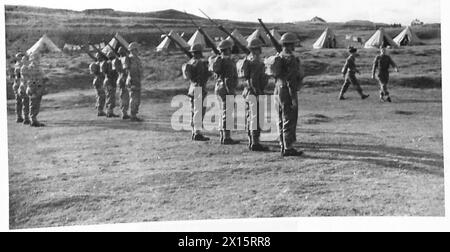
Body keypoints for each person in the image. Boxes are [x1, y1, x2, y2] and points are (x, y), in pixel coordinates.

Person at [271, 33, 304, 157]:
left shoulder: (279, 56)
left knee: (281, 118)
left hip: (278, 89)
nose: (295, 45)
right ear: (289, 44)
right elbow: (291, 80)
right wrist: (293, 98)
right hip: (287, 91)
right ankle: (288, 147)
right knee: (289, 118)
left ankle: (283, 144)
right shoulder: (291, 59)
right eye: (293, 43)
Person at [241, 39, 269, 151]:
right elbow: (254, 79)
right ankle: (255, 143)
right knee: (256, 118)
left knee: (250, 117)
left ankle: (251, 141)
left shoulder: (248, 60)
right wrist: (257, 91)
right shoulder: (256, 62)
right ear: (257, 49)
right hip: (255, 91)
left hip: (248, 92)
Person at [210, 39, 239, 145]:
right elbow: (228, 78)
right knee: (227, 113)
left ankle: (223, 136)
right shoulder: (228, 62)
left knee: (222, 112)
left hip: (218, 87)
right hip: (226, 88)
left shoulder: (219, 60)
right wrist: (230, 91)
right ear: (228, 49)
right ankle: (227, 137)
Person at [183, 44, 211, 141]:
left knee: (194, 111)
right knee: (199, 111)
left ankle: (194, 131)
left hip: (192, 88)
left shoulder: (191, 62)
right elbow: (205, 74)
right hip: (199, 88)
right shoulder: (199, 63)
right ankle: (197, 133)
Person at [123, 42, 143, 122]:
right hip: (132, 80)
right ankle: (132, 115)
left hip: (137, 80)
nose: (138, 51)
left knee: (137, 99)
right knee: (134, 98)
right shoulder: (129, 59)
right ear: (133, 50)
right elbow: (128, 70)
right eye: (137, 49)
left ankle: (134, 114)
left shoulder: (137, 59)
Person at [24, 53, 46, 127]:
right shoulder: (30, 68)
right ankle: (33, 120)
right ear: (32, 59)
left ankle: (34, 119)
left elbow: (42, 76)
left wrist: (44, 79)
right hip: (33, 88)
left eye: (38, 58)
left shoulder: (39, 67)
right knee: (33, 104)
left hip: (39, 88)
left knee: (37, 105)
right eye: (36, 58)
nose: (37, 60)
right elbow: (29, 79)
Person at [101, 51, 120, 118]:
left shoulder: (106, 63)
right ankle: (109, 112)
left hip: (107, 81)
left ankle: (109, 111)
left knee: (109, 96)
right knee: (111, 97)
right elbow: (114, 72)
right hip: (110, 81)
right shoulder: (111, 63)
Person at [115, 47, 130, 119]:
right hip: (124, 79)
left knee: (121, 96)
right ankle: (124, 113)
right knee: (125, 96)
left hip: (119, 79)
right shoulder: (125, 59)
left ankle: (123, 111)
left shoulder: (117, 60)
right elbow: (127, 69)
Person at [89, 53, 106, 117]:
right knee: (101, 96)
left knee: (99, 96)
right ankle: (100, 111)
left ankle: (99, 109)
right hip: (99, 81)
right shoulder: (100, 64)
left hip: (96, 80)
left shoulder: (95, 64)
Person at [11, 52, 25, 123]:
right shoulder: (20, 65)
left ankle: (20, 116)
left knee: (19, 102)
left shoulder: (17, 65)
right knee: (21, 101)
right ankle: (20, 117)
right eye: (19, 57)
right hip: (19, 84)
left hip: (17, 84)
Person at [19, 55, 31, 125]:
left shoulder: (27, 67)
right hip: (24, 87)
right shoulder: (24, 68)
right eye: (23, 60)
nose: (23, 61)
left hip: (26, 86)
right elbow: (25, 78)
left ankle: (27, 118)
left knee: (27, 103)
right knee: (26, 103)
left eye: (25, 60)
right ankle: (26, 119)